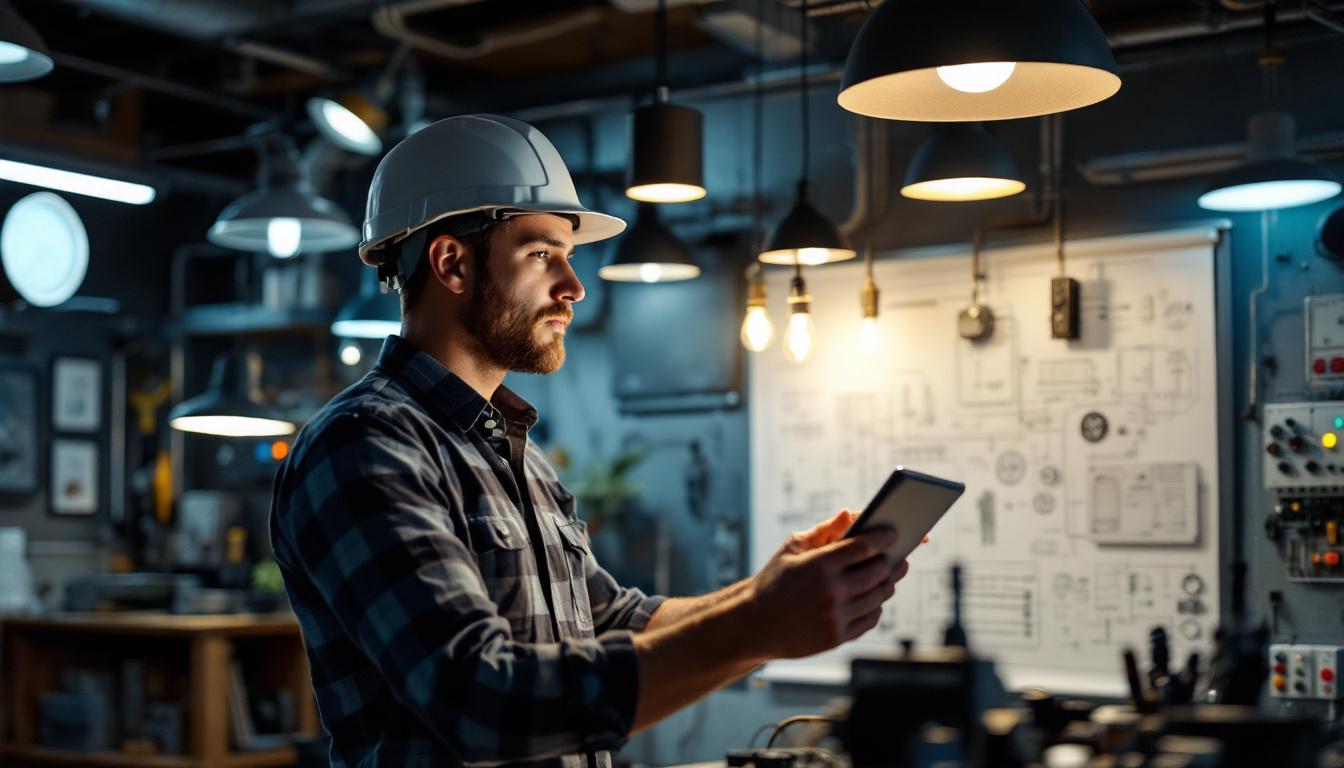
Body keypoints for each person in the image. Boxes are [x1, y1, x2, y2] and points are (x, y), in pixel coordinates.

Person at [269, 114, 909, 768]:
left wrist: (767, 593)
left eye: (568, 258)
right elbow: (477, 701)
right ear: (452, 263)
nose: (574, 288)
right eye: (541, 254)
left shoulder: (515, 454)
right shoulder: (364, 447)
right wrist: (757, 624)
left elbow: (612, 621)